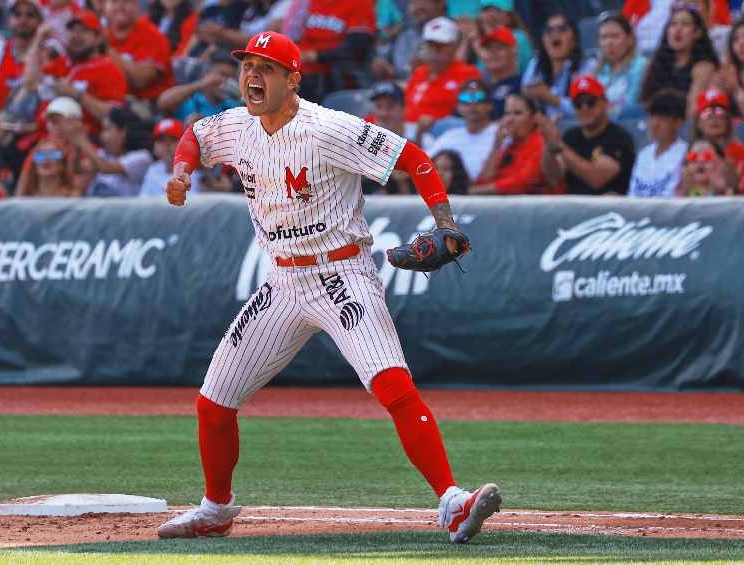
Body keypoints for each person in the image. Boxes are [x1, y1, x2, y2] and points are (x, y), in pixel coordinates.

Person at [157, 30, 501, 543]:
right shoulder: (237, 125)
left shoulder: (328, 129)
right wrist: (182, 172)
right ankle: (216, 507)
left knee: (393, 386)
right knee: (213, 402)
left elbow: (414, 159)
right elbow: (196, 136)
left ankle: (452, 501)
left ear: (293, 80)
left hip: (341, 274)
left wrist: (445, 222)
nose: (252, 76)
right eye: (248, 65)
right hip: (281, 281)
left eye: (267, 68)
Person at [539, 75, 636, 195]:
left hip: (609, 210)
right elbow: (554, 177)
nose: (584, 109)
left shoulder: (619, 137)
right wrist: (549, 147)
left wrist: (560, 146)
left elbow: (597, 179)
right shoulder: (571, 136)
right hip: (575, 208)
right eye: (578, 105)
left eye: (591, 102)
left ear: (605, 103)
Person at [638, 4, 719, 117]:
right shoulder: (655, 64)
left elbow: (693, 110)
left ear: (697, 33)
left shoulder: (703, 68)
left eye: (685, 24)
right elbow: (644, 101)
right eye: (673, 24)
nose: (677, 29)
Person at [403, 17, 481, 129]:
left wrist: (437, 122)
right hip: (409, 131)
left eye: (440, 46)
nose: (434, 51)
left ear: (454, 46)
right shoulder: (419, 72)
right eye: (430, 45)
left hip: (444, 134)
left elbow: (471, 112)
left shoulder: (467, 73)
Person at [470, 93, 555, 194]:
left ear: (534, 118)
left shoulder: (541, 143)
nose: (509, 120)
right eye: (507, 113)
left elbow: (522, 183)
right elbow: (483, 180)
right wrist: (496, 145)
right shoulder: (508, 147)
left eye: (517, 113)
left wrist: (472, 192)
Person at [295, 0, 377, 102]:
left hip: (340, 80)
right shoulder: (311, 2)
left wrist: (317, 56)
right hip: (306, 78)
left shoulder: (360, 3)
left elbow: (357, 48)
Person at [521, 12, 595, 120]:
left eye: (562, 29)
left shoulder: (587, 66)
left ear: (574, 40)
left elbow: (588, 112)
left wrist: (551, 98)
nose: (555, 34)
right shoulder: (535, 65)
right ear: (543, 40)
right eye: (549, 30)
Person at [361, 81, 429, 194]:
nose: (384, 113)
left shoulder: (421, 136)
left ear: (403, 109)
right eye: (379, 106)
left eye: (390, 106)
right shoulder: (363, 137)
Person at [426, 80, 498, 182]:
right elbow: (422, 163)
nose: (472, 104)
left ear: (490, 105)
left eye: (479, 98)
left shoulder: (501, 132)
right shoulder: (450, 136)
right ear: (458, 107)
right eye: (465, 98)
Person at [104, 0, 174, 103]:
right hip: (107, 101)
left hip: (149, 105)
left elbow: (140, 81)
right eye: (114, 1)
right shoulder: (99, 34)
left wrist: (106, 49)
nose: (120, 6)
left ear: (137, 6)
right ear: (105, 6)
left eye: (126, 2)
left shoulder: (153, 36)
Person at [80, 106, 153, 197]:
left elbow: (105, 168)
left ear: (123, 132)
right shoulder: (102, 153)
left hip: (125, 210)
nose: (102, 136)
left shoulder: (142, 157)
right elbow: (80, 168)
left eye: (107, 129)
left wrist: (81, 140)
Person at [629, 88, 688, 197]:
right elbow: (632, 195)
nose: (655, 124)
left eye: (662, 118)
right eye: (652, 117)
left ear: (678, 122)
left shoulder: (685, 153)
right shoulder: (644, 154)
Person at [157, 50, 241, 123]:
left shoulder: (233, 107)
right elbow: (163, 103)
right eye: (222, 74)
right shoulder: (189, 99)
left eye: (231, 78)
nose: (226, 81)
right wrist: (202, 83)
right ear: (206, 74)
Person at [593, 12, 648, 120]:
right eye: (604, 37)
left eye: (615, 36)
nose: (609, 42)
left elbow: (630, 105)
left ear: (629, 39)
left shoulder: (641, 66)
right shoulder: (596, 71)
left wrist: (600, 112)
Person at [373, 0, 445, 81]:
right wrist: (386, 71)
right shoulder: (406, 36)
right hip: (405, 87)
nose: (416, 7)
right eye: (413, 2)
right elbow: (393, 69)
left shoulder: (451, 34)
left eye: (423, 2)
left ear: (440, 4)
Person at [0, 0, 43, 88]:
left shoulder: (49, 52)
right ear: (9, 19)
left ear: (40, 20)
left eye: (30, 15)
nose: (23, 20)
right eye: (17, 14)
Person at [139, 117, 195, 197]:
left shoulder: (193, 171)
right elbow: (143, 202)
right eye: (161, 141)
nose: (166, 145)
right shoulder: (153, 170)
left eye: (172, 140)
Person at [692, 87, 744, 167]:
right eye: (707, 113)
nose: (714, 118)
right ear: (699, 122)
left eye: (719, 112)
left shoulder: (740, 152)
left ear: (728, 119)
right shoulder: (691, 153)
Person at [478, 27, 521, 118]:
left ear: (513, 51)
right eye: (488, 49)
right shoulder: (479, 87)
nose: (493, 53)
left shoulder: (523, 85)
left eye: (499, 48)